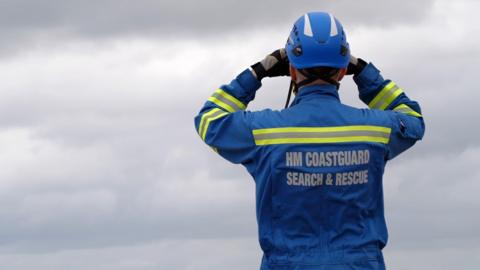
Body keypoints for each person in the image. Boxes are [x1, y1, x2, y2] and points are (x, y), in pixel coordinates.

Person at [194, 11, 425, 270]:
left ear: (292, 69)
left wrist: (256, 72)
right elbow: (412, 119)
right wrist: (363, 71)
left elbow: (209, 121)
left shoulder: (263, 132)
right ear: (342, 71)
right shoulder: (374, 129)